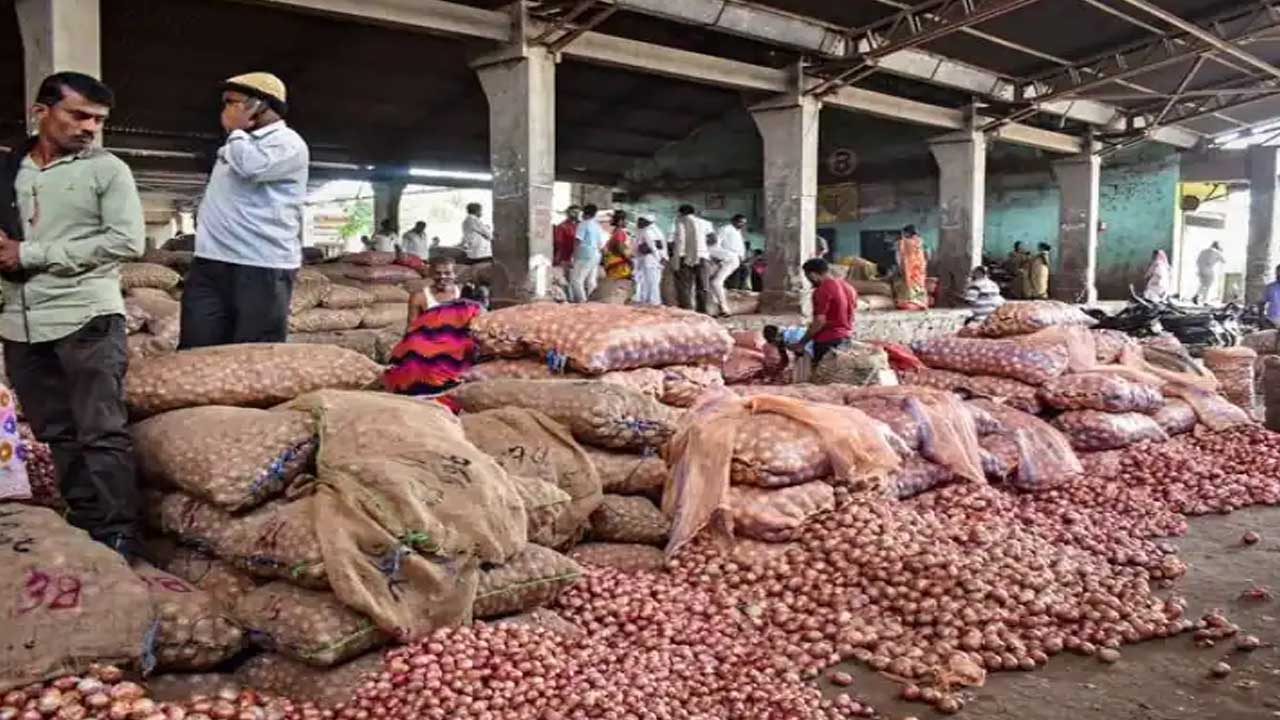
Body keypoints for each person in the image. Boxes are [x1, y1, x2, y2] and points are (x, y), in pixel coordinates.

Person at [0, 72, 145, 556]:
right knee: (55, 432)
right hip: (19, 322)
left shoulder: (107, 171)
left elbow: (126, 241)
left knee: (100, 430)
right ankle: (87, 525)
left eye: (98, 120)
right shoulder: (9, 173)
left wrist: (32, 253)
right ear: (40, 113)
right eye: (79, 115)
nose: (90, 127)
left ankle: (120, 534)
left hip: (86, 317)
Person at [180, 72, 309, 349]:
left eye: (231, 102)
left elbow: (252, 168)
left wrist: (237, 131)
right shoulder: (238, 144)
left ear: (259, 105)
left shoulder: (288, 143)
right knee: (197, 347)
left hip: (260, 265)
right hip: (211, 261)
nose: (224, 111)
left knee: (253, 355)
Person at [383, 257, 484, 397]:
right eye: (438, 273)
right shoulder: (419, 297)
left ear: (455, 274)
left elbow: (477, 322)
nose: (442, 277)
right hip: (427, 347)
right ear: (430, 273)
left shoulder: (464, 294)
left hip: (457, 345)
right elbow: (411, 328)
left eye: (447, 273)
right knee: (413, 361)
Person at [790, 258, 857, 364]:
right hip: (846, 338)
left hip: (827, 340)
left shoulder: (822, 290)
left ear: (812, 274)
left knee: (823, 377)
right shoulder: (848, 288)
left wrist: (801, 343)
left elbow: (819, 321)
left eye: (808, 277)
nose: (809, 281)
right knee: (840, 376)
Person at [671, 204, 712, 313]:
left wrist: (674, 257)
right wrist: (701, 246)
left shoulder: (678, 222)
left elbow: (675, 241)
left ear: (680, 213)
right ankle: (703, 311)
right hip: (702, 256)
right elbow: (713, 239)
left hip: (684, 257)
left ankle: (687, 311)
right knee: (703, 286)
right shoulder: (705, 223)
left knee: (684, 285)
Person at [708, 214, 747, 317]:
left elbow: (739, 249)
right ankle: (720, 308)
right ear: (733, 221)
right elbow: (716, 244)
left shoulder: (737, 232)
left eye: (743, 223)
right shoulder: (725, 229)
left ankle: (722, 308)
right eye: (739, 222)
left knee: (716, 283)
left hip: (731, 259)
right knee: (714, 283)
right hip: (727, 258)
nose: (741, 225)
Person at [570, 204, 605, 303]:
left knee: (576, 280)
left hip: (584, 254)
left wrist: (573, 255)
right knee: (591, 280)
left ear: (584, 213)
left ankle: (582, 301)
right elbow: (600, 243)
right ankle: (593, 300)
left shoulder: (583, 224)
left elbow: (578, 240)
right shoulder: (597, 226)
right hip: (596, 254)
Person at [631, 214, 665, 306]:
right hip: (648, 260)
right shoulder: (649, 231)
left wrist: (658, 259)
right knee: (647, 281)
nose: (638, 223)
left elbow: (654, 247)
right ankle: (646, 300)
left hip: (650, 260)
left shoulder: (649, 232)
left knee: (651, 281)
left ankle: (652, 302)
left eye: (641, 221)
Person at [894, 224, 928, 310]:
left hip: (910, 269)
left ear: (907, 233)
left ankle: (910, 302)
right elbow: (926, 256)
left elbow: (900, 257)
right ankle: (921, 302)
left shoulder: (904, 243)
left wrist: (901, 267)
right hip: (919, 269)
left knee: (908, 287)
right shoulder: (920, 242)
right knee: (919, 286)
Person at [603, 210, 633, 281]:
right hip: (618, 266)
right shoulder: (620, 233)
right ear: (620, 221)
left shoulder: (615, 231)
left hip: (612, 263)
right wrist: (630, 261)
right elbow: (620, 249)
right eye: (625, 220)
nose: (627, 222)